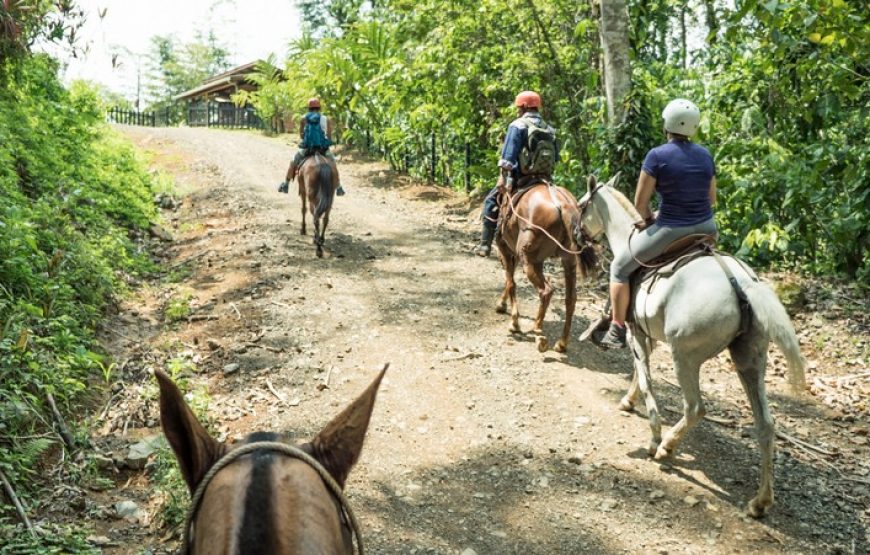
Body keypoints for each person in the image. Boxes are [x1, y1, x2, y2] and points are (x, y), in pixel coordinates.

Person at [598, 98, 718, 349]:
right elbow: (711, 199)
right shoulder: (705, 155)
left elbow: (640, 203)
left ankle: (617, 327)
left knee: (619, 267)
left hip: (671, 231)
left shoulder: (656, 156)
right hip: (708, 229)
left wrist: (650, 219)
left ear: (667, 125)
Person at [474, 90, 559, 256]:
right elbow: (556, 158)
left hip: (521, 178)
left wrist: (502, 178)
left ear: (524, 107)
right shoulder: (549, 129)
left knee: (491, 201)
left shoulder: (518, 125)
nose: (517, 111)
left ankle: (485, 245)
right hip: (545, 178)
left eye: (518, 107)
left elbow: (508, 156)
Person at [279, 98, 345, 195]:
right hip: (323, 149)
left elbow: (302, 136)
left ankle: (286, 184)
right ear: (319, 108)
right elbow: (329, 137)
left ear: (309, 108)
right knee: (333, 164)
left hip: (308, 149)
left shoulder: (303, 118)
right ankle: (338, 187)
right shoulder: (325, 119)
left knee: (293, 161)